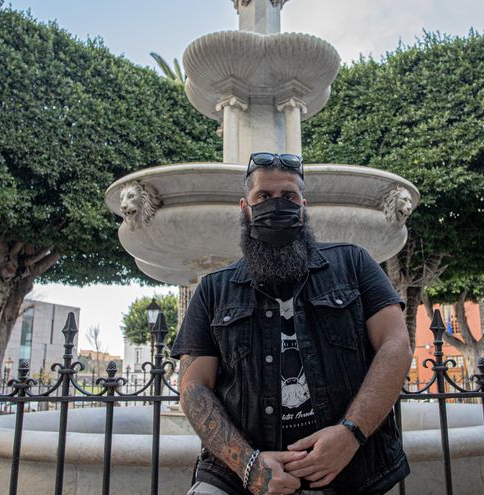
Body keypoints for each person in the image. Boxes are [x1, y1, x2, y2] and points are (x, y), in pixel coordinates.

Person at [171, 152, 412, 495]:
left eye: (288, 197)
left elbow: (395, 344)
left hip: (353, 472)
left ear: (303, 206)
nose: (276, 206)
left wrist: (350, 434)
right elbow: (193, 386)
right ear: (245, 208)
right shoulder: (213, 289)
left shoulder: (354, 263)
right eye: (264, 197)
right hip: (236, 479)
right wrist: (247, 464)